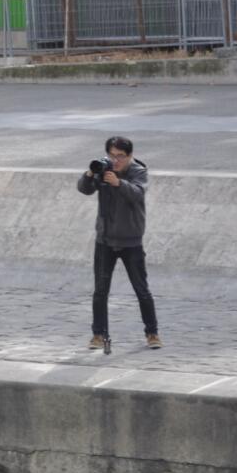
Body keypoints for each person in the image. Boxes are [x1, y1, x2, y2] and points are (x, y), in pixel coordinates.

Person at [78, 136, 161, 351]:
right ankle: (98, 335)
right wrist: (90, 173)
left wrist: (119, 183)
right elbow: (84, 189)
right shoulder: (103, 170)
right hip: (105, 240)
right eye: (112, 156)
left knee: (141, 289)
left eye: (120, 157)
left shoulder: (138, 171)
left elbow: (138, 193)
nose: (116, 161)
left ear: (130, 155)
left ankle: (152, 333)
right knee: (100, 291)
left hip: (131, 240)